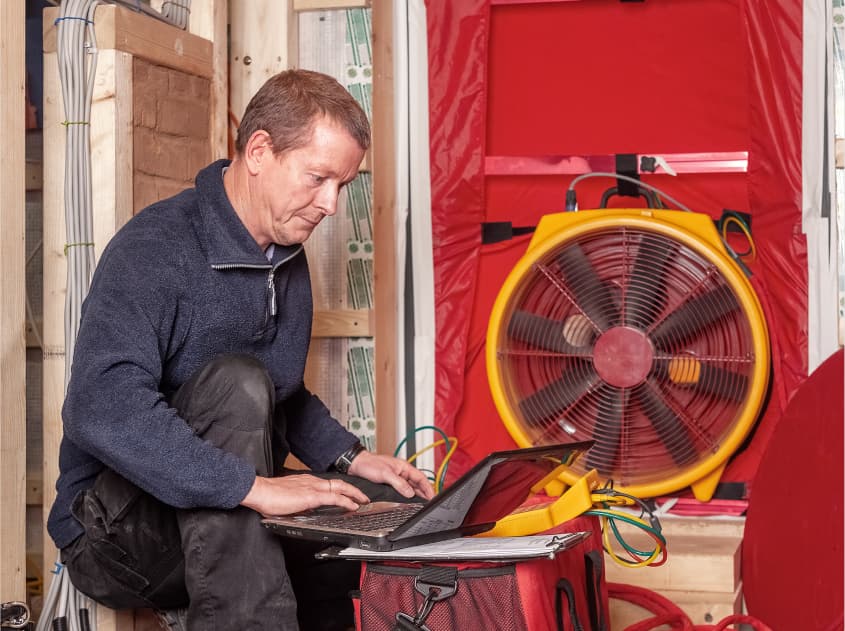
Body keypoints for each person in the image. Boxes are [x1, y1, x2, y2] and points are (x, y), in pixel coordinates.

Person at [47, 68, 434, 630]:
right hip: (113, 535)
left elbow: (284, 393)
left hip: (218, 513)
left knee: (386, 511)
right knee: (236, 381)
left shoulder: (285, 256)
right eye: (319, 178)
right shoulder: (154, 249)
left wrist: (352, 458)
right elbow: (100, 407)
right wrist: (253, 489)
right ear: (259, 152)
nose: (330, 204)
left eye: (343, 186)